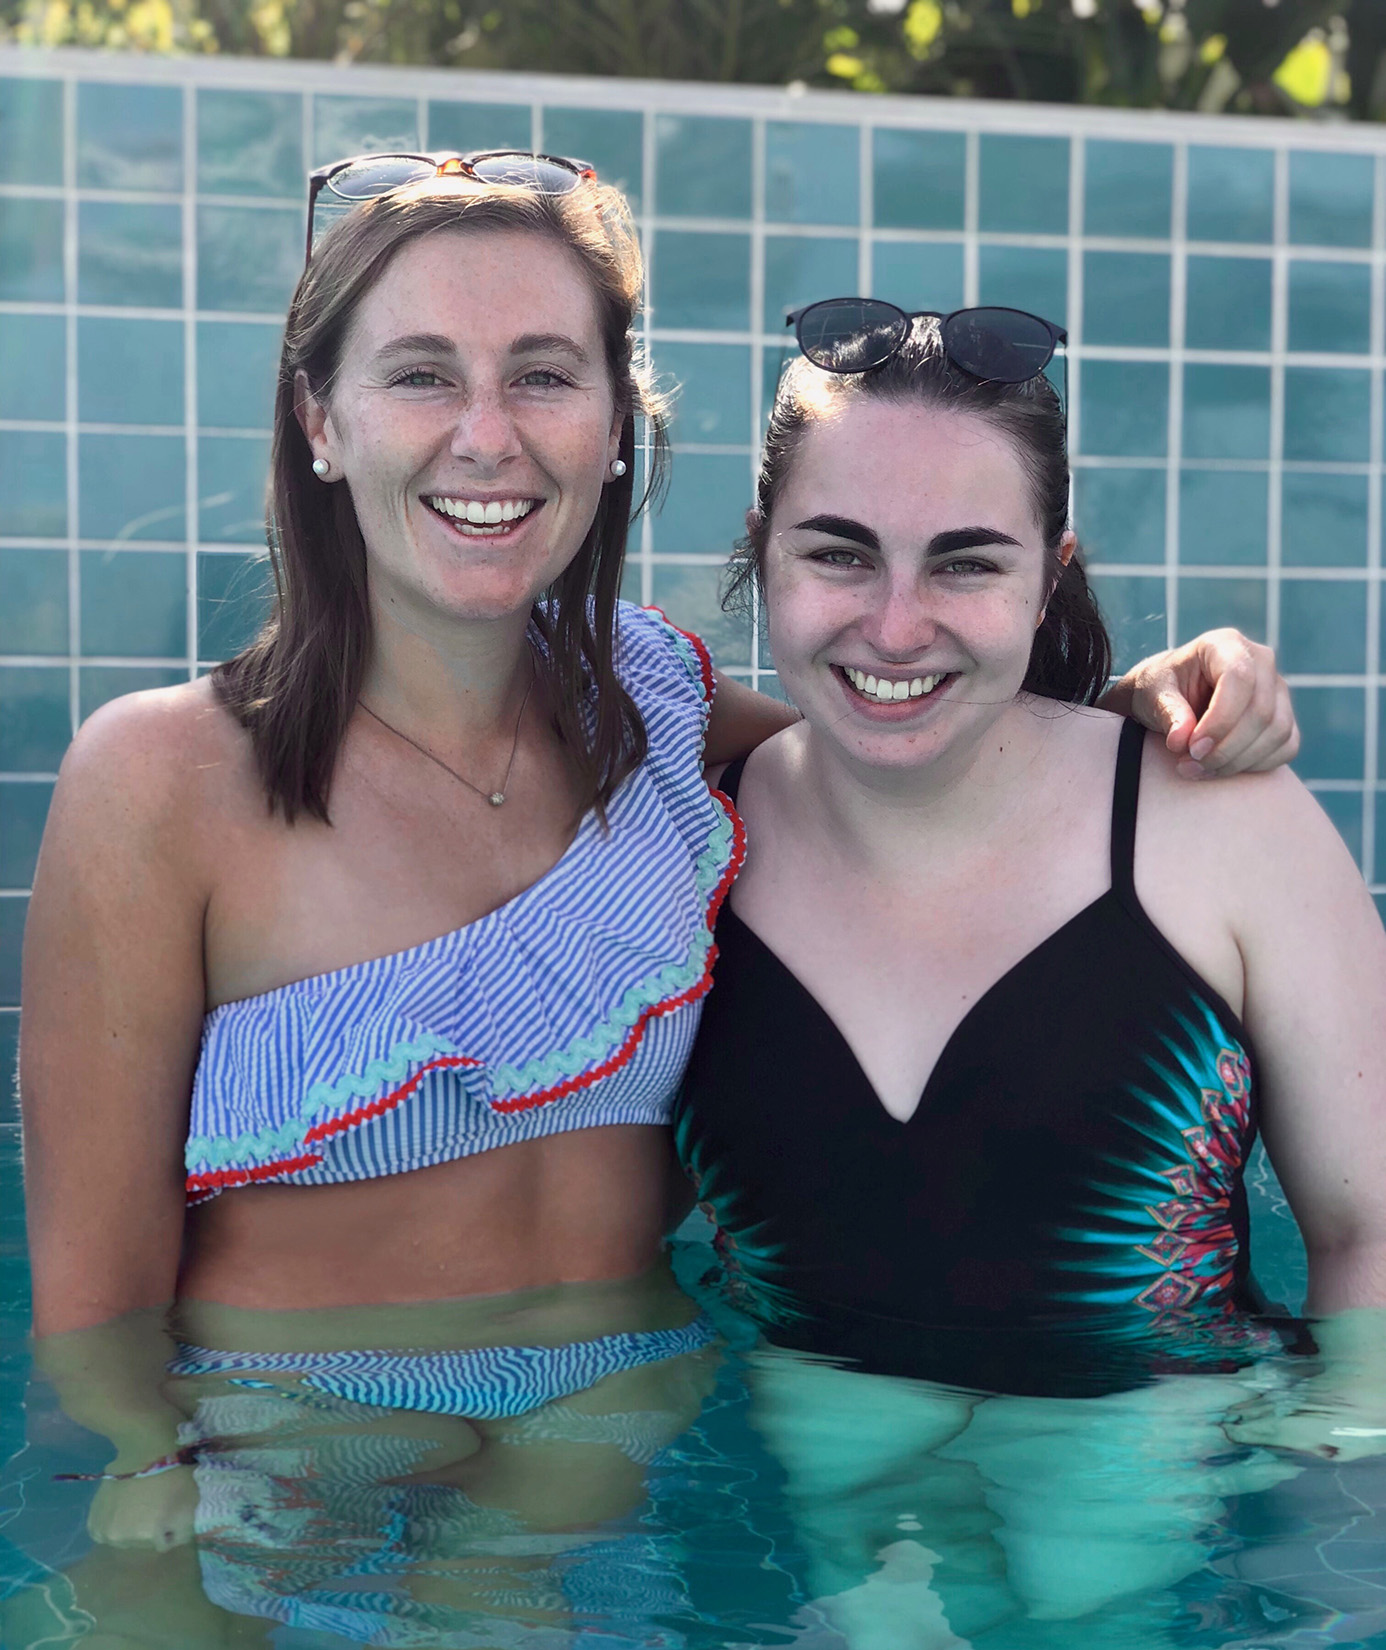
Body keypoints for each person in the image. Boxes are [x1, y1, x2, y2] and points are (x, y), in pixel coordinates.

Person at [19, 159, 1295, 1566]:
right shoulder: (158, 781)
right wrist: (160, 1477)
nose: (487, 436)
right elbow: (91, 1305)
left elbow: (917, 756)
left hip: (606, 1459)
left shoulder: (668, 719)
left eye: (545, 375)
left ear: (615, 425)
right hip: (272, 1449)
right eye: (422, 375)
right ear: (321, 419)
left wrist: (1142, 715)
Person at [669, 301, 1386, 1632]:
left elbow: (1370, 1232)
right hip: (818, 1499)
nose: (894, 625)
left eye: (963, 564)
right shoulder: (672, 854)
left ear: (1046, 576)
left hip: (1169, 1498)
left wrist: (1327, 1545)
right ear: (758, 553)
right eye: (838, 553)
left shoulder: (1218, 824)